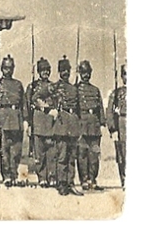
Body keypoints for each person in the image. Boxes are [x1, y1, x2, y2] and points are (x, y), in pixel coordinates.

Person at [0, 54, 26, 187]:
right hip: (4, 117)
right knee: (4, 149)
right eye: (6, 68)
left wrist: (25, 119)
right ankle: (6, 175)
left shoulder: (18, 84)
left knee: (16, 149)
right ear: (2, 69)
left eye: (10, 68)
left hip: (16, 117)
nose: (8, 70)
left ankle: (14, 173)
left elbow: (23, 103)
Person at [51, 56, 82, 196]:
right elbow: (37, 99)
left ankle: (70, 183)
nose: (65, 73)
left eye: (67, 70)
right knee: (62, 156)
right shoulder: (54, 87)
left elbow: (79, 108)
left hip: (73, 124)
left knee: (71, 157)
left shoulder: (75, 89)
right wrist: (51, 110)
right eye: (63, 70)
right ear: (59, 72)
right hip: (62, 124)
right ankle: (61, 183)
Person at [26, 57, 56, 188]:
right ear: (38, 72)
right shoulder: (32, 87)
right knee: (39, 152)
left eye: (47, 70)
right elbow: (27, 105)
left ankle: (52, 176)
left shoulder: (53, 86)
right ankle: (42, 177)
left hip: (50, 122)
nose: (45, 73)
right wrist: (27, 123)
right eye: (43, 70)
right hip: (37, 121)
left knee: (51, 152)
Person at [75, 60, 105, 191]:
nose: (85, 75)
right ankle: (84, 180)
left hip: (94, 125)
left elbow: (100, 109)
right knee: (82, 154)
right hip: (81, 124)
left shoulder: (95, 90)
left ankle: (93, 179)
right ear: (80, 73)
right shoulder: (75, 89)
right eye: (83, 73)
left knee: (94, 155)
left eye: (88, 73)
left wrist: (102, 123)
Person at [107, 64, 127, 188]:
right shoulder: (116, 92)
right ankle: (124, 178)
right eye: (125, 74)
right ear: (121, 76)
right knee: (122, 152)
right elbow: (109, 112)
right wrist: (112, 128)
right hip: (122, 122)